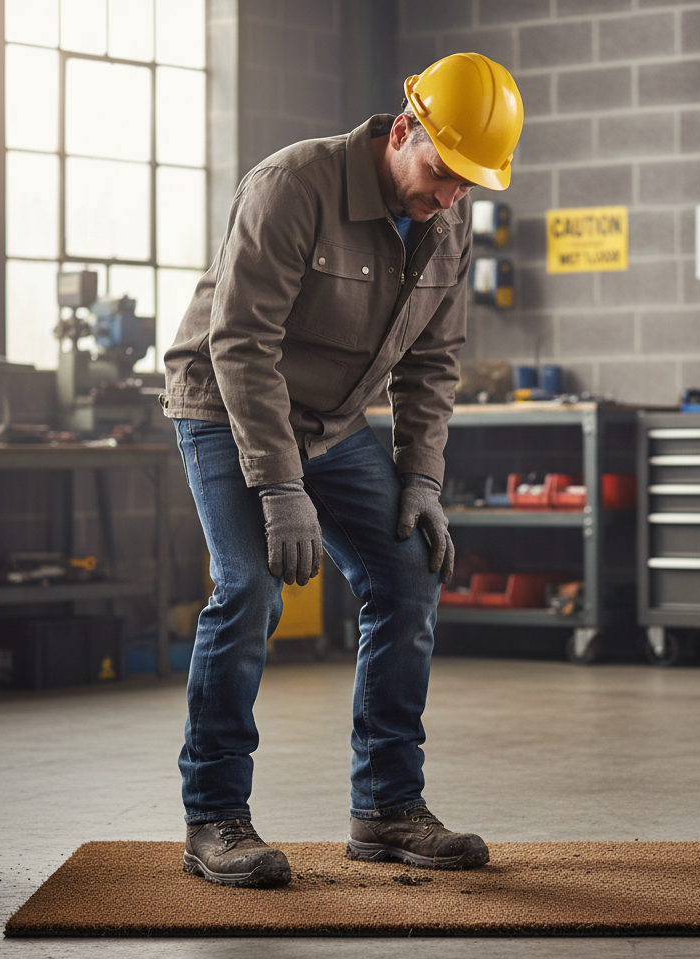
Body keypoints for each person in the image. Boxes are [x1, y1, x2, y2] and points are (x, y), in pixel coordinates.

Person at [160, 53, 524, 888]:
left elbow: (433, 361)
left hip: (333, 421)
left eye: (470, 183)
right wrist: (280, 487)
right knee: (247, 588)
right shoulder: (294, 186)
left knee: (408, 572)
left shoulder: (448, 218)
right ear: (403, 131)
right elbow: (240, 344)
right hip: (225, 403)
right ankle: (214, 817)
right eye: (442, 173)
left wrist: (423, 479)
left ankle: (387, 808)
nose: (451, 197)